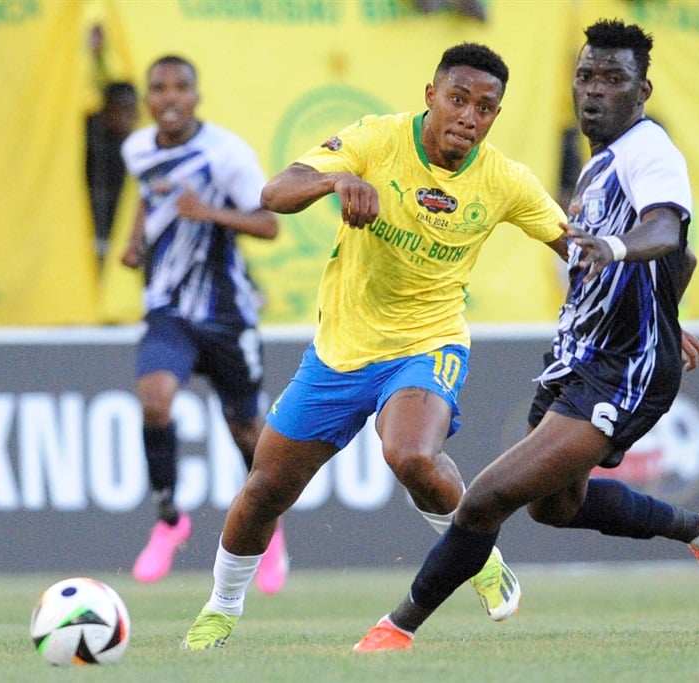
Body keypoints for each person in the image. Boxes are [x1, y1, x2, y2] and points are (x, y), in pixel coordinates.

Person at [352, 19, 699, 652]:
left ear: (642, 90)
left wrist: (621, 256)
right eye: (585, 76)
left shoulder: (651, 150)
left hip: (622, 370)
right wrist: (666, 313)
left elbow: (667, 232)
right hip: (580, 358)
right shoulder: (598, 167)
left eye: (613, 80)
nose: (594, 91)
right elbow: (684, 262)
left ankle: (393, 630)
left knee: (485, 499)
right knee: (553, 506)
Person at [181, 42, 571, 650]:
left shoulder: (505, 181)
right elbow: (274, 193)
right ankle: (221, 608)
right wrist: (338, 179)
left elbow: (580, 246)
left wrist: (655, 309)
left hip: (429, 340)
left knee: (412, 455)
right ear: (430, 96)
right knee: (264, 492)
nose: (469, 117)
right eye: (458, 99)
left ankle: (479, 556)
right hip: (341, 351)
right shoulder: (377, 139)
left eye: (486, 108)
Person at [120, 55, 288, 593]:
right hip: (168, 306)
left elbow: (268, 225)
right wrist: (136, 237)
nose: (169, 97)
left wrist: (209, 213)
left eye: (180, 88)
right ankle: (170, 521)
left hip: (226, 313)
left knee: (247, 431)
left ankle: (268, 527)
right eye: (158, 88)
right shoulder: (138, 148)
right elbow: (151, 195)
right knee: (154, 399)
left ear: (196, 96)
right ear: (149, 99)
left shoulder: (227, 155)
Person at [87, 81, 139, 269]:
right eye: (119, 110)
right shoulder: (90, 139)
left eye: (131, 111)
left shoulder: (137, 146)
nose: (126, 118)